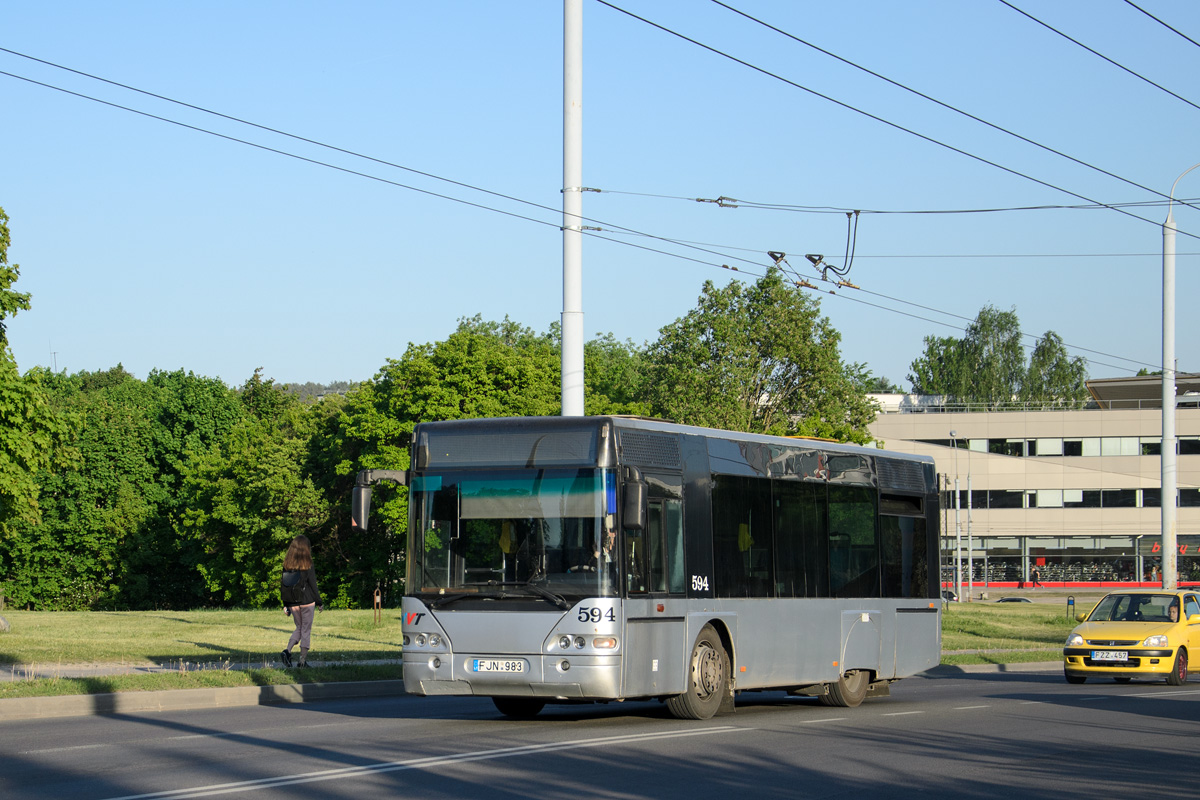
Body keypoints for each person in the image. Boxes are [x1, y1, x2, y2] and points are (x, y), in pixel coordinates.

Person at [280, 535, 323, 668]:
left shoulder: (287, 565)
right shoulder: (307, 564)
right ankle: (302, 661)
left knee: (299, 627)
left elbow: (284, 585)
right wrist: (319, 602)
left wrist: (285, 604)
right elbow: (313, 585)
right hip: (307, 601)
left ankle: (287, 651)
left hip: (292, 602)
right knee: (305, 630)